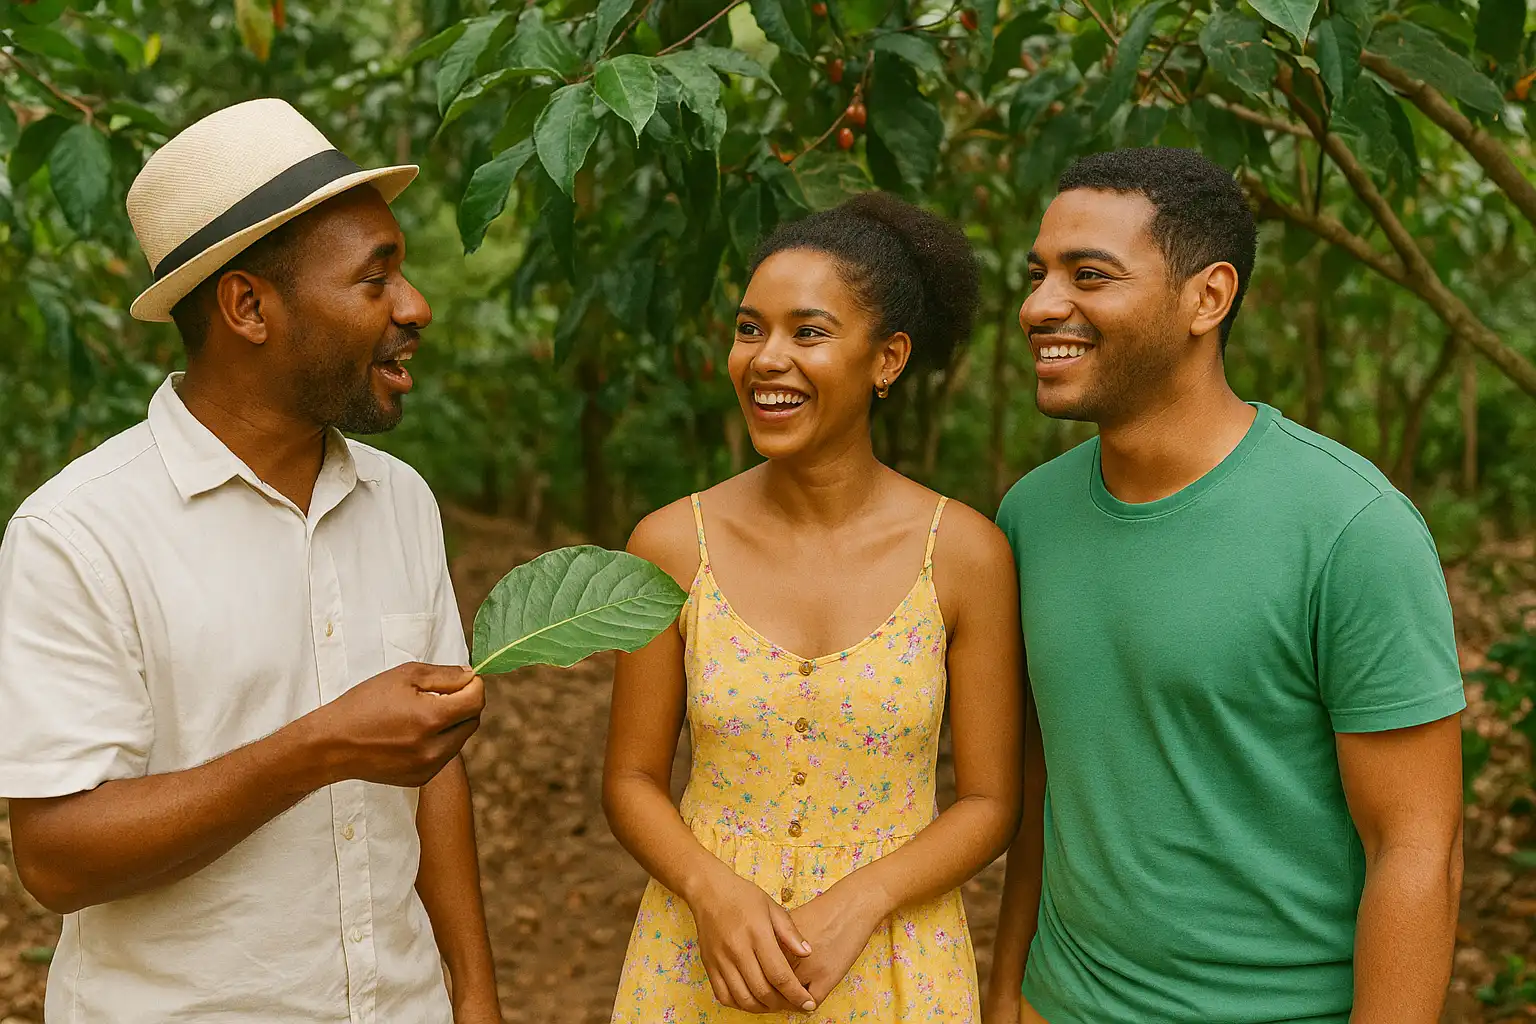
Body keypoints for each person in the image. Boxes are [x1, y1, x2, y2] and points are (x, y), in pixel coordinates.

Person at [0, 98, 502, 1023]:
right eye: (374, 278)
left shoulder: (401, 503)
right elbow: (57, 858)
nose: (414, 306)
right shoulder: (79, 534)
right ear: (248, 307)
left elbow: (431, 773)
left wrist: (472, 1000)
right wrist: (318, 749)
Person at [985, 147, 1466, 1024]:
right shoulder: (1030, 516)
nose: (1040, 305)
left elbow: (1418, 848)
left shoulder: (1352, 529)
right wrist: (1007, 988)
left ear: (1208, 297)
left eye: (1089, 275)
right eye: (1039, 273)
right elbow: (1042, 792)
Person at [603, 192, 1023, 1021]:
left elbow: (988, 803)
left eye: (809, 332)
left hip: (893, 965)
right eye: (750, 328)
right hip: (702, 963)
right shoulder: (670, 546)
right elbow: (632, 778)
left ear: (888, 358)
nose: (765, 358)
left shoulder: (966, 554)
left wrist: (862, 901)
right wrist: (710, 890)